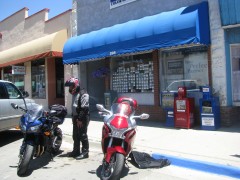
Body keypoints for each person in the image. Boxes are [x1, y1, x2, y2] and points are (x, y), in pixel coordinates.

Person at [64, 77, 90, 159]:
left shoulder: (83, 94)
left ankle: (85, 152)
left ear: (76, 85)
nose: (70, 88)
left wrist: (80, 119)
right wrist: (74, 118)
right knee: (75, 135)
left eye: (71, 86)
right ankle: (76, 151)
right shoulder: (74, 94)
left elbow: (84, 108)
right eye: (69, 86)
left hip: (82, 118)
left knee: (82, 134)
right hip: (75, 117)